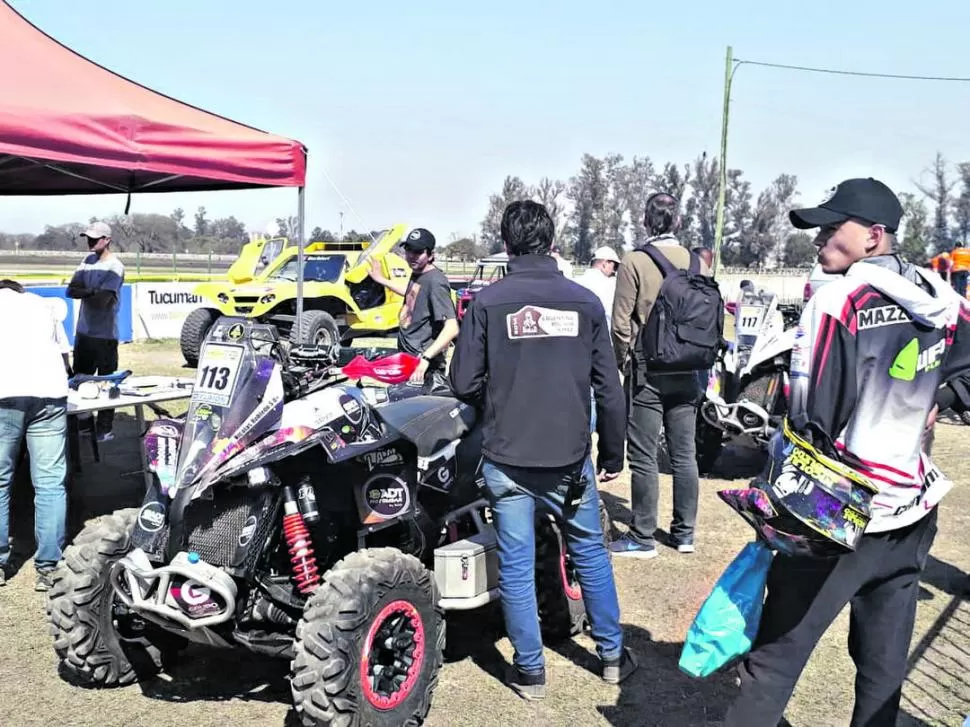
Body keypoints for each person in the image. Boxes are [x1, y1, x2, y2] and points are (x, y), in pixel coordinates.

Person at [723, 177, 970, 727]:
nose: (818, 241)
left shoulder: (837, 299)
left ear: (873, 236)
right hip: (913, 513)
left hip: (843, 516)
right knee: (882, 670)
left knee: (772, 662)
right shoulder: (943, 293)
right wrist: (941, 397)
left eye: (832, 229)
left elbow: (811, 421)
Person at [449, 200, 637, 699]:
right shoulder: (584, 301)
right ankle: (613, 656)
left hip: (507, 459)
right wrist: (614, 454)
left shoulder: (489, 303)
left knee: (516, 564)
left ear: (506, 244)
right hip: (570, 460)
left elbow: (462, 382)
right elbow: (610, 390)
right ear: (551, 243)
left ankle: (530, 672)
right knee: (590, 553)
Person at [610, 192, 709, 558]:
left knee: (644, 455)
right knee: (685, 454)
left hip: (647, 367)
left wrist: (623, 362)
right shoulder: (697, 261)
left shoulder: (634, 261)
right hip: (689, 367)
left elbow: (621, 324)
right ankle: (685, 534)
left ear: (646, 221)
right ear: (678, 222)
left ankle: (642, 535)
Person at [0, 279, 72, 591]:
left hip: (5, 396)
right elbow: (66, 357)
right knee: (50, 484)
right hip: (50, 395)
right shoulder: (45, 306)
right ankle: (49, 566)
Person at [368, 228, 459, 391]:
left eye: (418, 252)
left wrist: (426, 358)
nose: (411, 255)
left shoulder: (436, 282)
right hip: (408, 362)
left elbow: (452, 328)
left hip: (423, 369)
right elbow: (413, 293)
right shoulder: (418, 273)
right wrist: (382, 280)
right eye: (408, 250)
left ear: (431, 254)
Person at [66, 221, 125, 442]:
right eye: (88, 237)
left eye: (95, 238)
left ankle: (104, 428)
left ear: (107, 240)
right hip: (84, 333)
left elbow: (104, 300)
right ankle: (84, 426)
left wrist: (87, 292)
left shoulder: (115, 266)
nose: (90, 241)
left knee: (108, 383)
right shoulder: (86, 261)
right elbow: (71, 290)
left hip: (105, 335)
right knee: (80, 381)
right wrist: (93, 291)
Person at [576, 246, 621, 332]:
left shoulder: (575, 281)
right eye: (615, 266)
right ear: (605, 263)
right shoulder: (611, 285)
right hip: (602, 337)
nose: (614, 271)